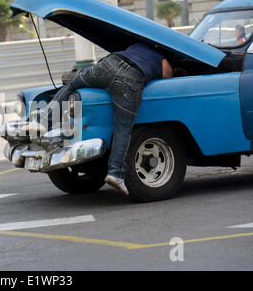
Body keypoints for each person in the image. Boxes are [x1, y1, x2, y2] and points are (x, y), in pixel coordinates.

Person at [28, 43, 173, 196]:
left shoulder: (136, 46)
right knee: (122, 128)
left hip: (109, 64)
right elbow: (167, 78)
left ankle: (43, 122)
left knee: (72, 85)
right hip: (131, 78)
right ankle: (115, 174)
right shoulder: (163, 61)